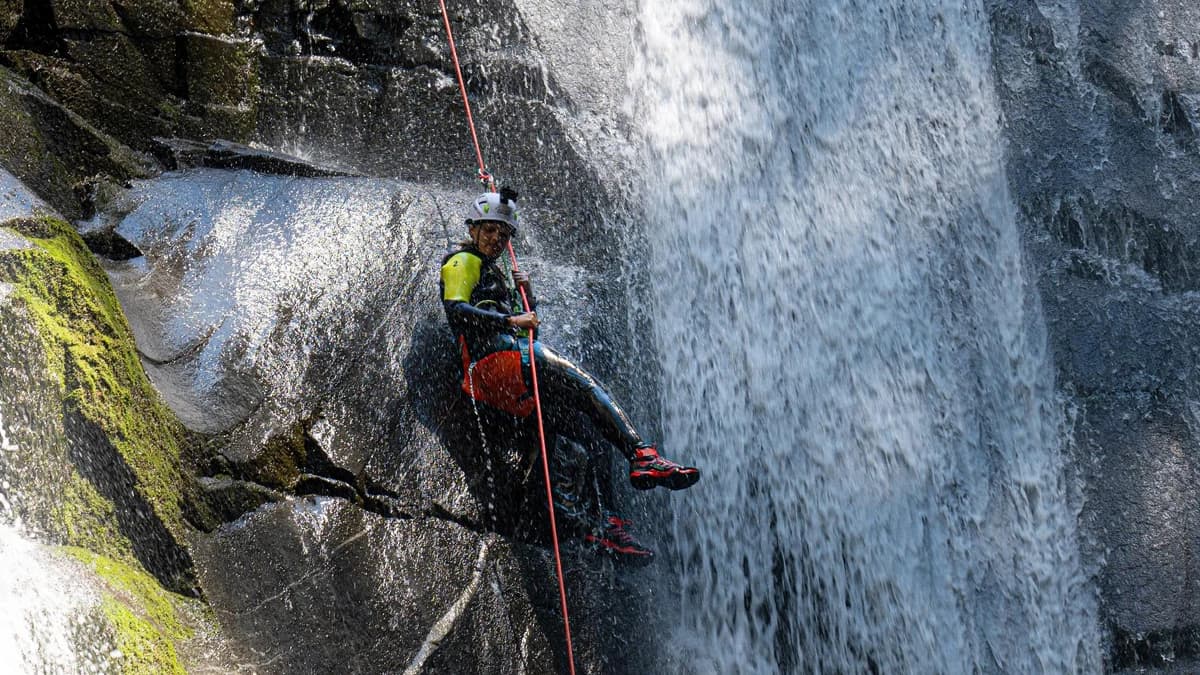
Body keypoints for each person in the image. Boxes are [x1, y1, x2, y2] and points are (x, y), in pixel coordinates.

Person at [439, 188, 701, 564]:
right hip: (489, 365)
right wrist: (511, 318)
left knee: (585, 433)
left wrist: (527, 298)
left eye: (504, 233)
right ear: (474, 227)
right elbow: (456, 312)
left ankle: (605, 527)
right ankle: (642, 452)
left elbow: (530, 334)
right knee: (581, 383)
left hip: (511, 371)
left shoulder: (498, 275)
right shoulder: (462, 261)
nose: (498, 239)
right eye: (491, 230)